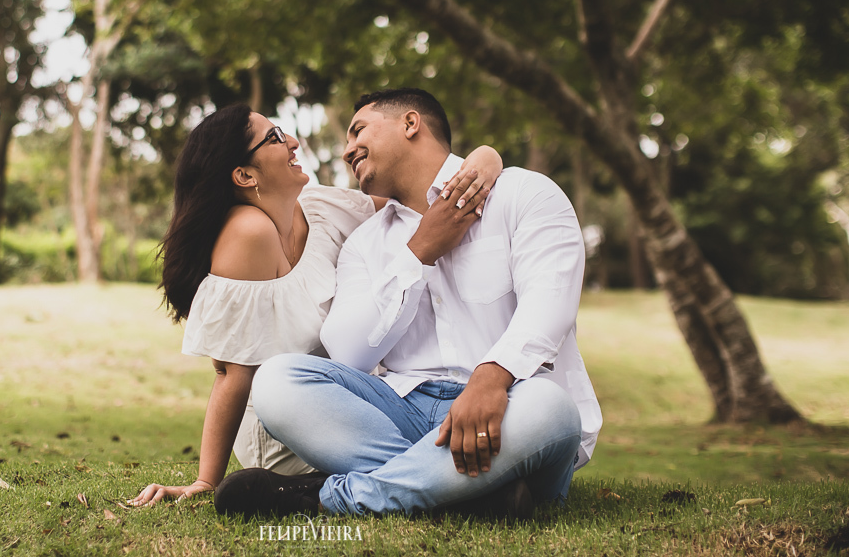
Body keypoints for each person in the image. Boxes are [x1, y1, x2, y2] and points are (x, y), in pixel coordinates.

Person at [217, 88, 602, 518]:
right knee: (277, 380)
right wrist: (419, 251)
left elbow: (549, 305)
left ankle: (331, 498)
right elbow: (348, 353)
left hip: (510, 405)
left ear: (410, 123)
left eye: (358, 129)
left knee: (552, 409)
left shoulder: (524, 194)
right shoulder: (365, 242)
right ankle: (468, 493)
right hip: (403, 411)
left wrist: (490, 380)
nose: (347, 150)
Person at [130, 103, 504, 506]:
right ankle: (466, 488)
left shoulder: (322, 207)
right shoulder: (248, 233)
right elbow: (232, 374)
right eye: (273, 138)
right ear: (244, 175)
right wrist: (206, 480)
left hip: (356, 407)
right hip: (296, 427)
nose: (291, 142)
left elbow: (417, 205)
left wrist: (484, 159)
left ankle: (433, 486)